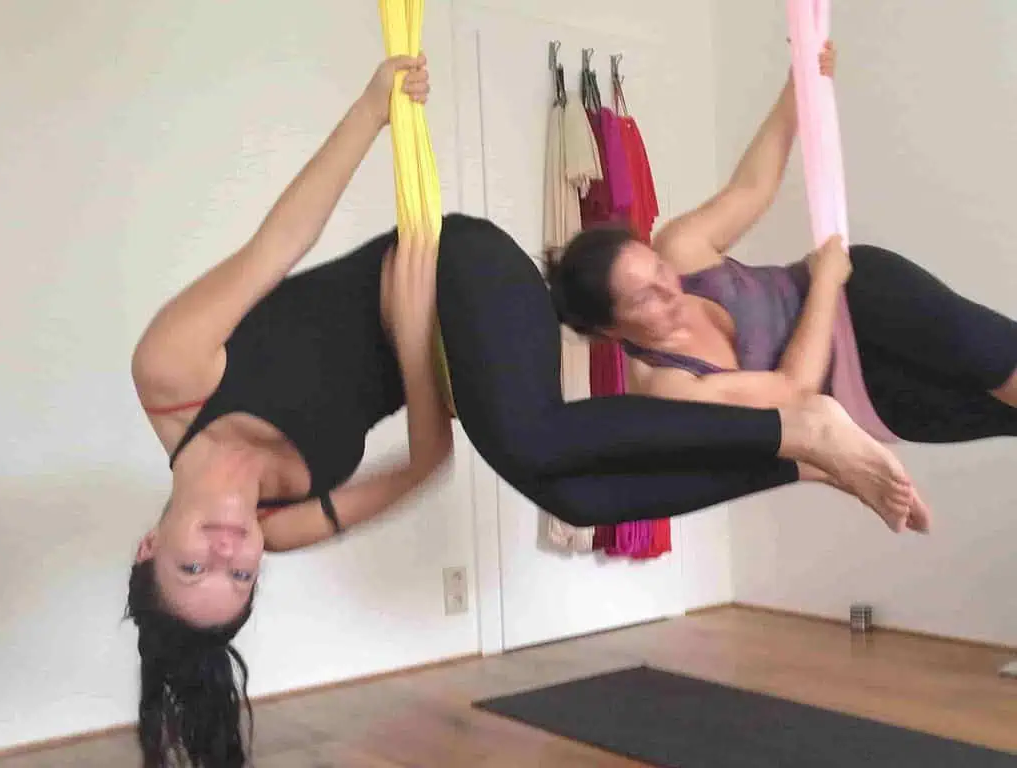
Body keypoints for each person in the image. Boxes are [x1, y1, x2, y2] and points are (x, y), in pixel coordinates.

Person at [128, 51, 923, 767]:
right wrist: (412, 347)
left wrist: (374, 111)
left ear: (149, 546)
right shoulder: (284, 522)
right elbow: (431, 459)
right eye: (237, 575)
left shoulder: (173, 376)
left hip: (461, 263)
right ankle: (799, 463)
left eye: (193, 564)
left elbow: (280, 243)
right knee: (569, 492)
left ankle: (798, 428)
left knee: (538, 442)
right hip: (451, 348)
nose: (231, 547)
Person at [545, 40, 1017, 530]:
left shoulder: (680, 248)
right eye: (646, 297)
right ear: (610, 331)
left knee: (999, 356)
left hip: (865, 299)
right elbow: (795, 391)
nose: (671, 289)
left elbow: (754, 186)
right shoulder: (673, 387)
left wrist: (800, 85)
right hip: (868, 396)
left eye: (657, 271)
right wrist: (824, 283)